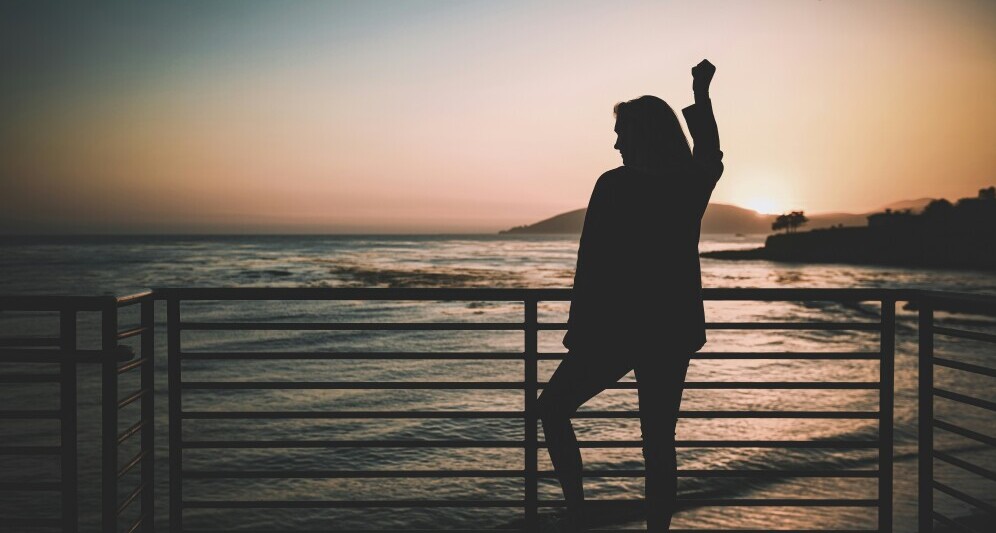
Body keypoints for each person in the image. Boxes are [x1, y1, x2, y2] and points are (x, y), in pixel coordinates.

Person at [536, 59, 724, 532]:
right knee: (658, 442)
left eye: (621, 132)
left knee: (555, 408)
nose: (616, 141)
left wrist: (580, 335)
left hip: (616, 333)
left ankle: (577, 513)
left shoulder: (616, 185)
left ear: (642, 134)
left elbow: (591, 268)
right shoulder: (686, 187)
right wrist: (701, 94)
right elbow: (709, 153)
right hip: (669, 332)